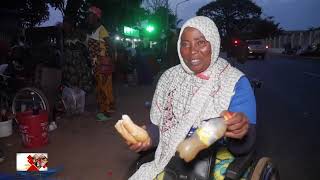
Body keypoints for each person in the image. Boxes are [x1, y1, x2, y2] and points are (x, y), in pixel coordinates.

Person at [128, 16, 256, 179]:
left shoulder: (235, 82)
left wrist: (240, 130)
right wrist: (148, 138)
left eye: (200, 42)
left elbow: (244, 147)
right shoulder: (169, 78)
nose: (192, 51)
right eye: (185, 44)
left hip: (217, 160)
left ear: (213, 43)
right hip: (170, 156)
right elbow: (161, 128)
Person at [86, 6, 115, 121]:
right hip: (96, 64)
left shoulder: (101, 29)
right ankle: (103, 109)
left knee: (104, 87)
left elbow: (110, 45)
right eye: (87, 15)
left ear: (96, 17)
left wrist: (110, 62)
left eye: (90, 15)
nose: (87, 17)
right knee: (100, 87)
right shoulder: (93, 30)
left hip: (103, 63)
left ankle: (106, 112)